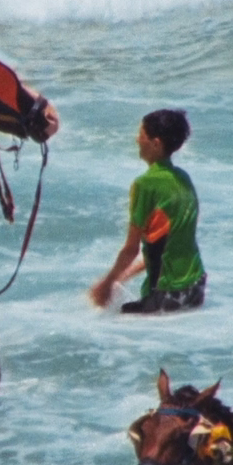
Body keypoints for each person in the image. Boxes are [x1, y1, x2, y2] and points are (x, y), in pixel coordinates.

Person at [90, 108, 207, 314]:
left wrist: (106, 285)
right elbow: (172, 244)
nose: (137, 140)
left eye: (141, 135)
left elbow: (131, 249)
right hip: (196, 288)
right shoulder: (183, 178)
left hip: (167, 293)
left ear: (156, 144)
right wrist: (121, 278)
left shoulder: (145, 184)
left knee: (104, 322)